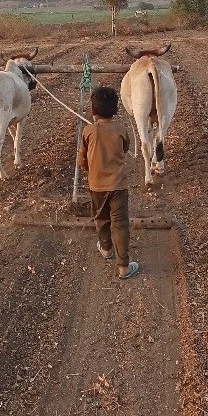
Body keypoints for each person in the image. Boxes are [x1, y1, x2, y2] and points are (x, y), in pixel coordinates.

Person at [78, 86, 140, 280]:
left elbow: (82, 159)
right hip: (118, 187)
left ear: (93, 111)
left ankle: (106, 249)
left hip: (96, 186)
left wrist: (88, 170)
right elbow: (126, 147)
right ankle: (123, 267)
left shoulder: (88, 131)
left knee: (101, 218)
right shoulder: (121, 129)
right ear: (116, 110)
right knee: (120, 224)